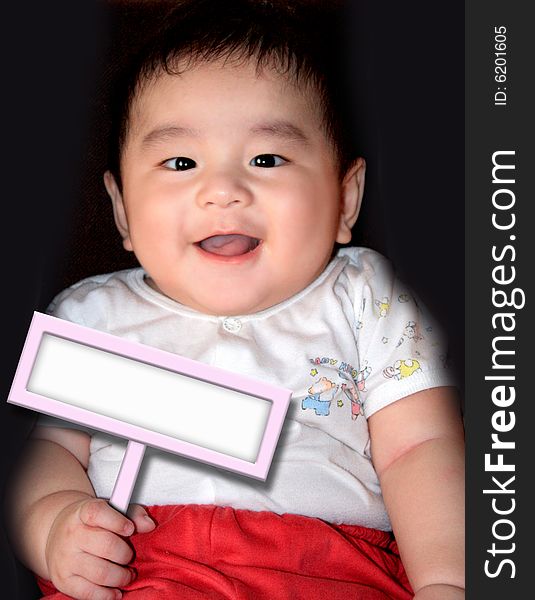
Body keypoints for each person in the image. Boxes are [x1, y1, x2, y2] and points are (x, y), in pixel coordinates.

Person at [7, 1, 464, 598]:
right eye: (180, 162)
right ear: (122, 210)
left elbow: (419, 447)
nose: (222, 190)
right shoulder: (89, 318)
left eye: (267, 159)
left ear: (345, 199)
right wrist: (53, 522)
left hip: (331, 568)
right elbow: (42, 454)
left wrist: (446, 580)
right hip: (144, 565)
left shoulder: (366, 300)